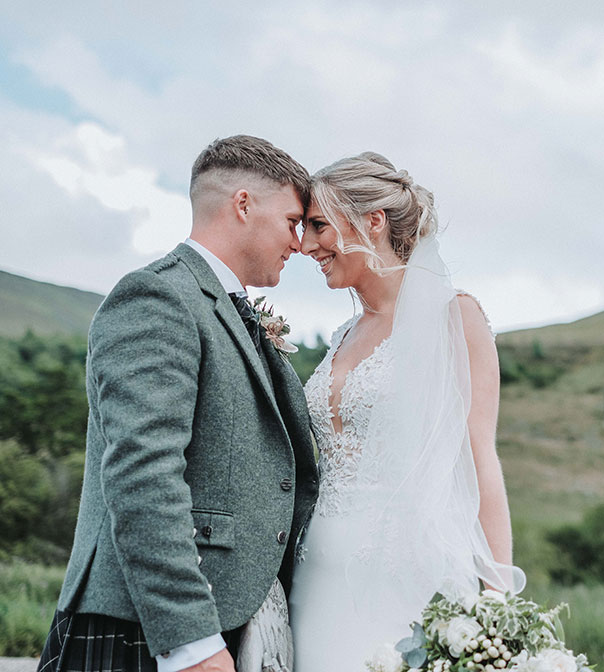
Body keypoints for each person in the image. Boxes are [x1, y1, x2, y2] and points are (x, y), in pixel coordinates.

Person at [37, 135, 319, 672]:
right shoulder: (158, 297)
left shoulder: (225, 309)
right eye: (292, 221)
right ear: (243, 205)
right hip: (152, 627)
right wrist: (191, 642)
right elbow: (143, 474)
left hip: (221, 618)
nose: (300, 243)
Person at [289, 152, 525, 672]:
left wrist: (497, 597)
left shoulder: (454, 317)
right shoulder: (342, 335)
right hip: (315, 576)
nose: (306, 245)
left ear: (372, 221)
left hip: (405, 578)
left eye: (319, 226)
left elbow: (479, 458)